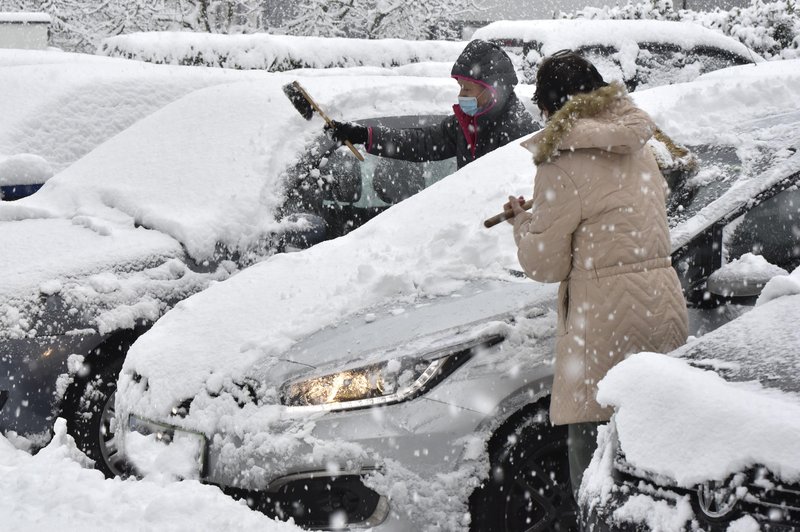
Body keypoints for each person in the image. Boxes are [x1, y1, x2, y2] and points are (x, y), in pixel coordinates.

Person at [504, 50, 688, 503]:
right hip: (662, 311)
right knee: (656, 478)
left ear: (549, 105)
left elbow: (545, 264)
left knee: (596, 478)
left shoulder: (560, 163)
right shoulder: (638, 148)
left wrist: (523, 223)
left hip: (603, 328)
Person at [325, 39, 536, 169]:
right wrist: (365, 136)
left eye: (467, 89)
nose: (461, 95)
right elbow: (422, 142)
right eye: (460, 87)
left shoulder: (519, 132)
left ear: (492, 91)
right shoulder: (465, 125)